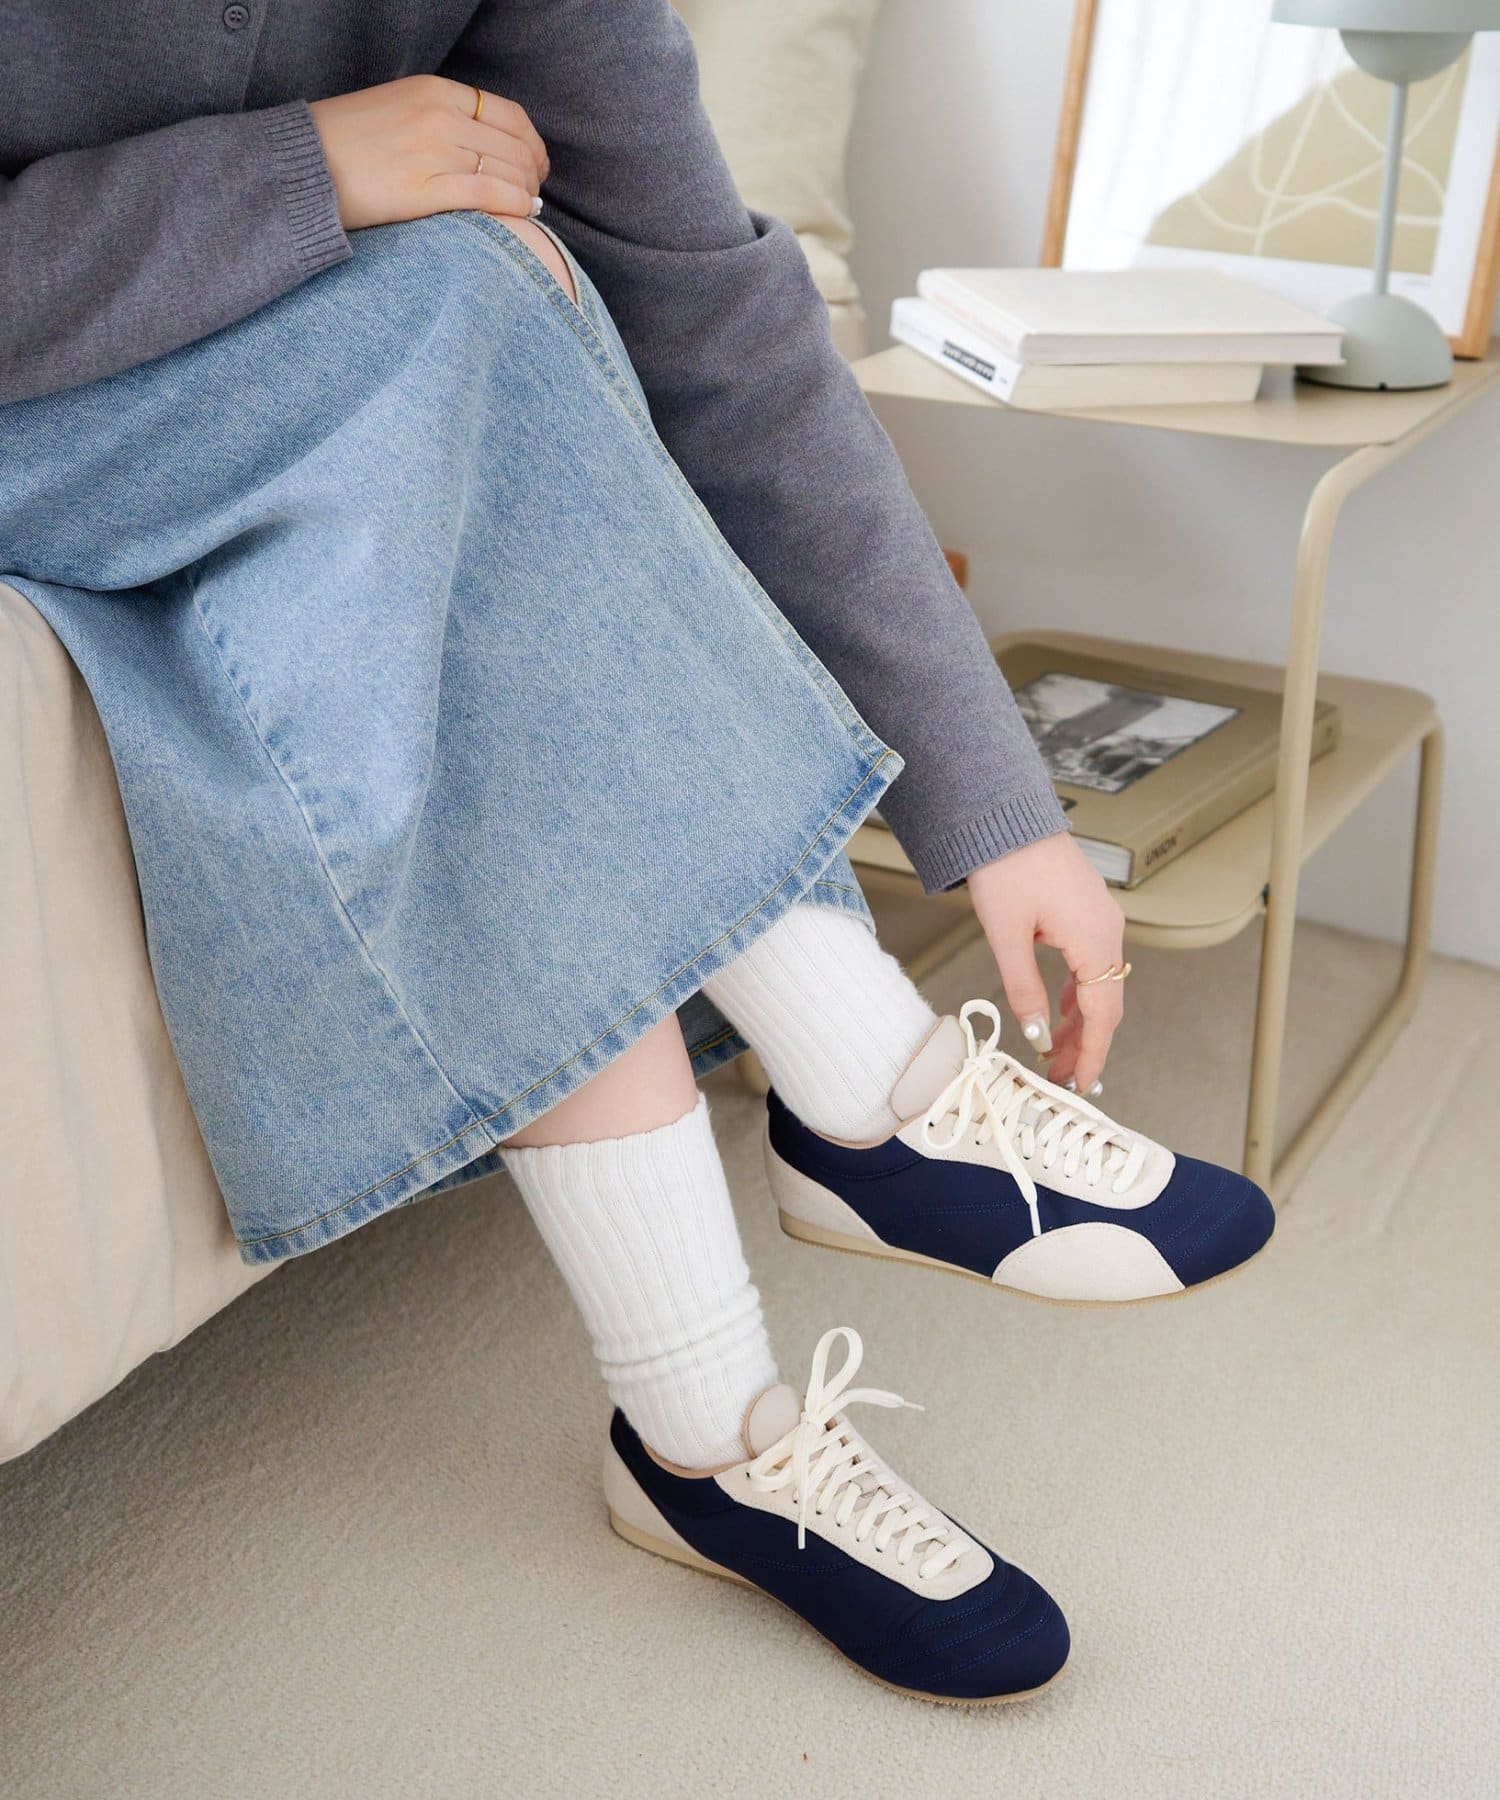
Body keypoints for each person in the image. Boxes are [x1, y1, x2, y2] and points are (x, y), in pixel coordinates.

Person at [1, 3, 1273, 1704]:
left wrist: (997, 804)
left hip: (277, 382)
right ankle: (857, 1121)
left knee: (516, 301)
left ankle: (717, 1415)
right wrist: (286, 177)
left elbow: (711, 320)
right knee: (459, 296)